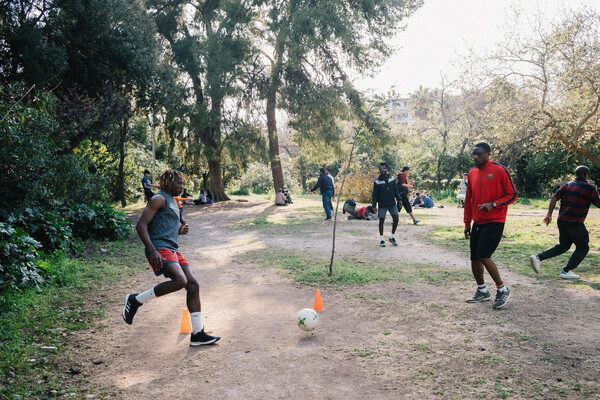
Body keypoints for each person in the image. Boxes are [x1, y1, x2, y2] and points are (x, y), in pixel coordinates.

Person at [123, 169, 220, 346]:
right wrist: (152, 251)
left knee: (193, 284)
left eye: (183, 183)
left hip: (173, 249)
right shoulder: (158, 199)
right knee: (180, 281)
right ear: (168, 183)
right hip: (159, 248)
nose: (182, 186)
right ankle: (135, 300)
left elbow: (163, 227)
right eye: (178, 183)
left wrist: (179, 231)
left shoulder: (174, 202)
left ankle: (197, 334)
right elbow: (141, 225)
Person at [464, 142, 518, 309]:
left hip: (495, 221)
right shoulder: (471, 173)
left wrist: (494, 204)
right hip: (477, 222)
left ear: (488, 154)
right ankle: (482, 291)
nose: (475, 157)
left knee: (483, 255)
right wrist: (467, 223)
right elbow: (469, 201)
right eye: (474, 154)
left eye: (479, 154)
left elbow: (513, 195)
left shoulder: (499, 170)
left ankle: (502, 289)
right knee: (474, 257)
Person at [530, 166, 600, 279]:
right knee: (583, 247)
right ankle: (566, 271)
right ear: (585, 175)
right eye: (589, 175)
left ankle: (538, 257)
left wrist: (549, 214)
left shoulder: (567, 185)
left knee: (564, 246)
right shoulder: (589, 188)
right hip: (575, 222)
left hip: (562, 221)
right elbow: (598, 203)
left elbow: (554, 198)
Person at [372, 162, 402, 247]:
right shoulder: (377, 181)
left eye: (384, 169)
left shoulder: (392, 179)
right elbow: (375, 194)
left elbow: (396, 190)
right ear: (379, 170)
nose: (383, 171)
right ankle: (381, 239)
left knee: (396, 219)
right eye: (381, 169)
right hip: (382, 204)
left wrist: (399, 199)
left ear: (387, 169)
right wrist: (374, 205)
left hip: (392, 203)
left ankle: (392, 237)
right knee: (381, 221)